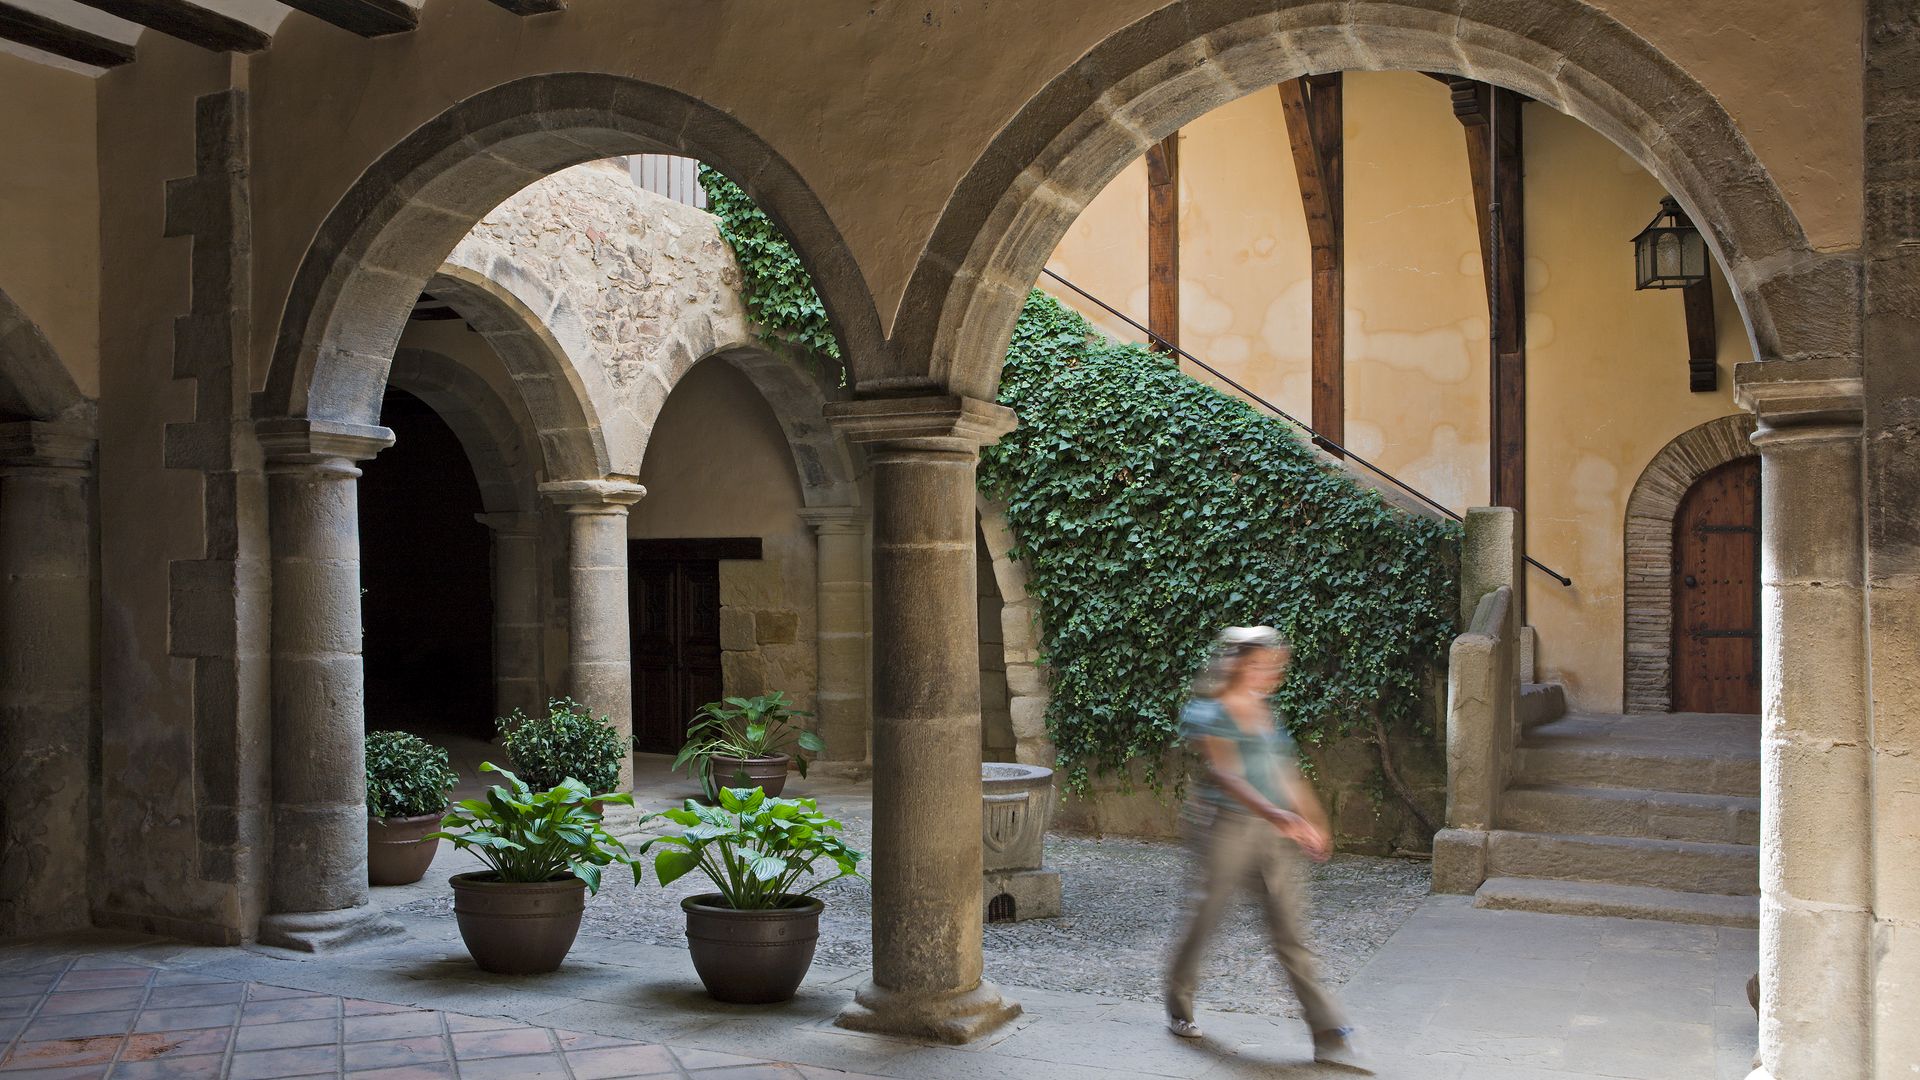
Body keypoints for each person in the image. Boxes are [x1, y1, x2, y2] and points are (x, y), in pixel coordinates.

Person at [1165, 625, 1366, 1071]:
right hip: (1225, 829)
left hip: (1274, 833)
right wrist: (1283, 818)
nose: (1269, 671)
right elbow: (1228, 775)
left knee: (1290, 932)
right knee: (1206, 916)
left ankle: (1328, 1032)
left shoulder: (1264, 710)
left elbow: (1286, 772)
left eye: (1272, 664)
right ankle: (1178, 1003)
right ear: (1236, 664)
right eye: (1258, 663)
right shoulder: (1210, 711)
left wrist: (1313, 820)